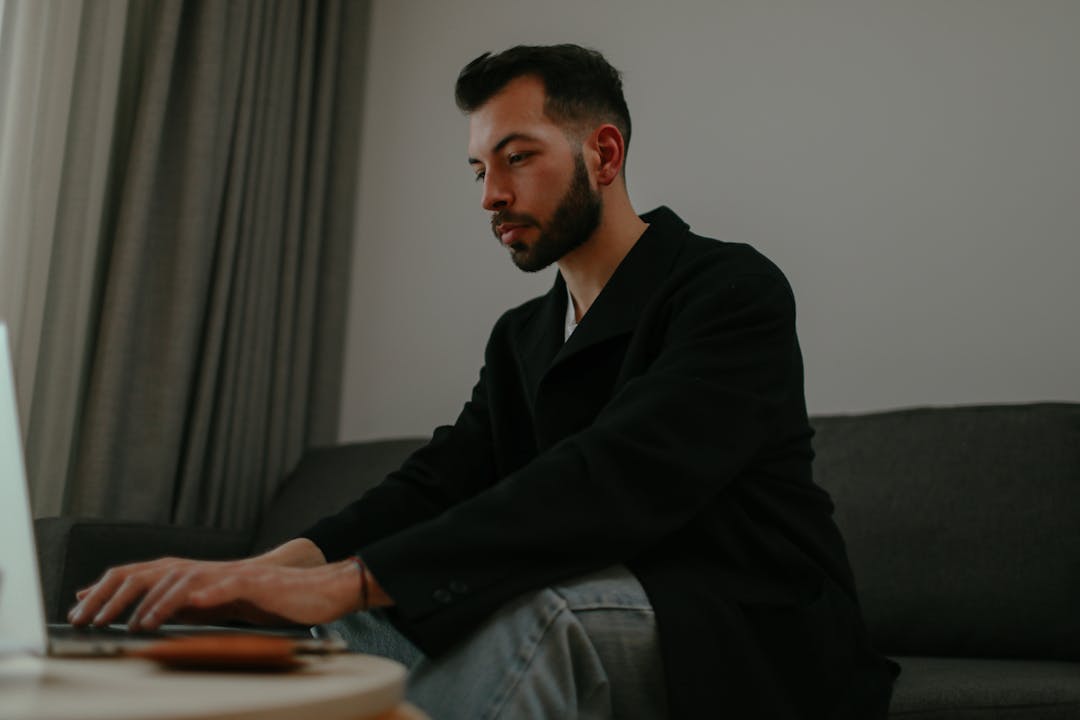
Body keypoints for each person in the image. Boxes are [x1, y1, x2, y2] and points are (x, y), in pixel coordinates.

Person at [70, 44, 897, 718]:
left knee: (530, 618)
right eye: (478, 170)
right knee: (340, 625)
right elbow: (438, 481)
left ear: (602, 153)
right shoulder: (522, 337)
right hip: (617, 599)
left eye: (518, 158)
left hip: (749, 622)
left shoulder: (729, 291)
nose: (491, 195)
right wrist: (272, 569)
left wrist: (344, 580)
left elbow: (610, 477)